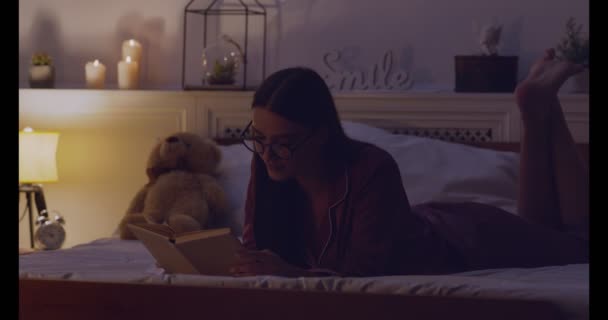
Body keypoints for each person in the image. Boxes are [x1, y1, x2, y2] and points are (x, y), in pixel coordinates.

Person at [229, 48, 589, 277]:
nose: (266, 154)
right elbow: (255, 247)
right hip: (424, 221)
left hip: (467, 242)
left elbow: (366, 279)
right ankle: (539, 103)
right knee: (546, 228)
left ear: (321, 134)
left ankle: (538, 108)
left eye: (284, 144)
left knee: (577, 243)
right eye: (258, 138)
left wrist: (290, 274)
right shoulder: (267, 165)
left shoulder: (371, 168)